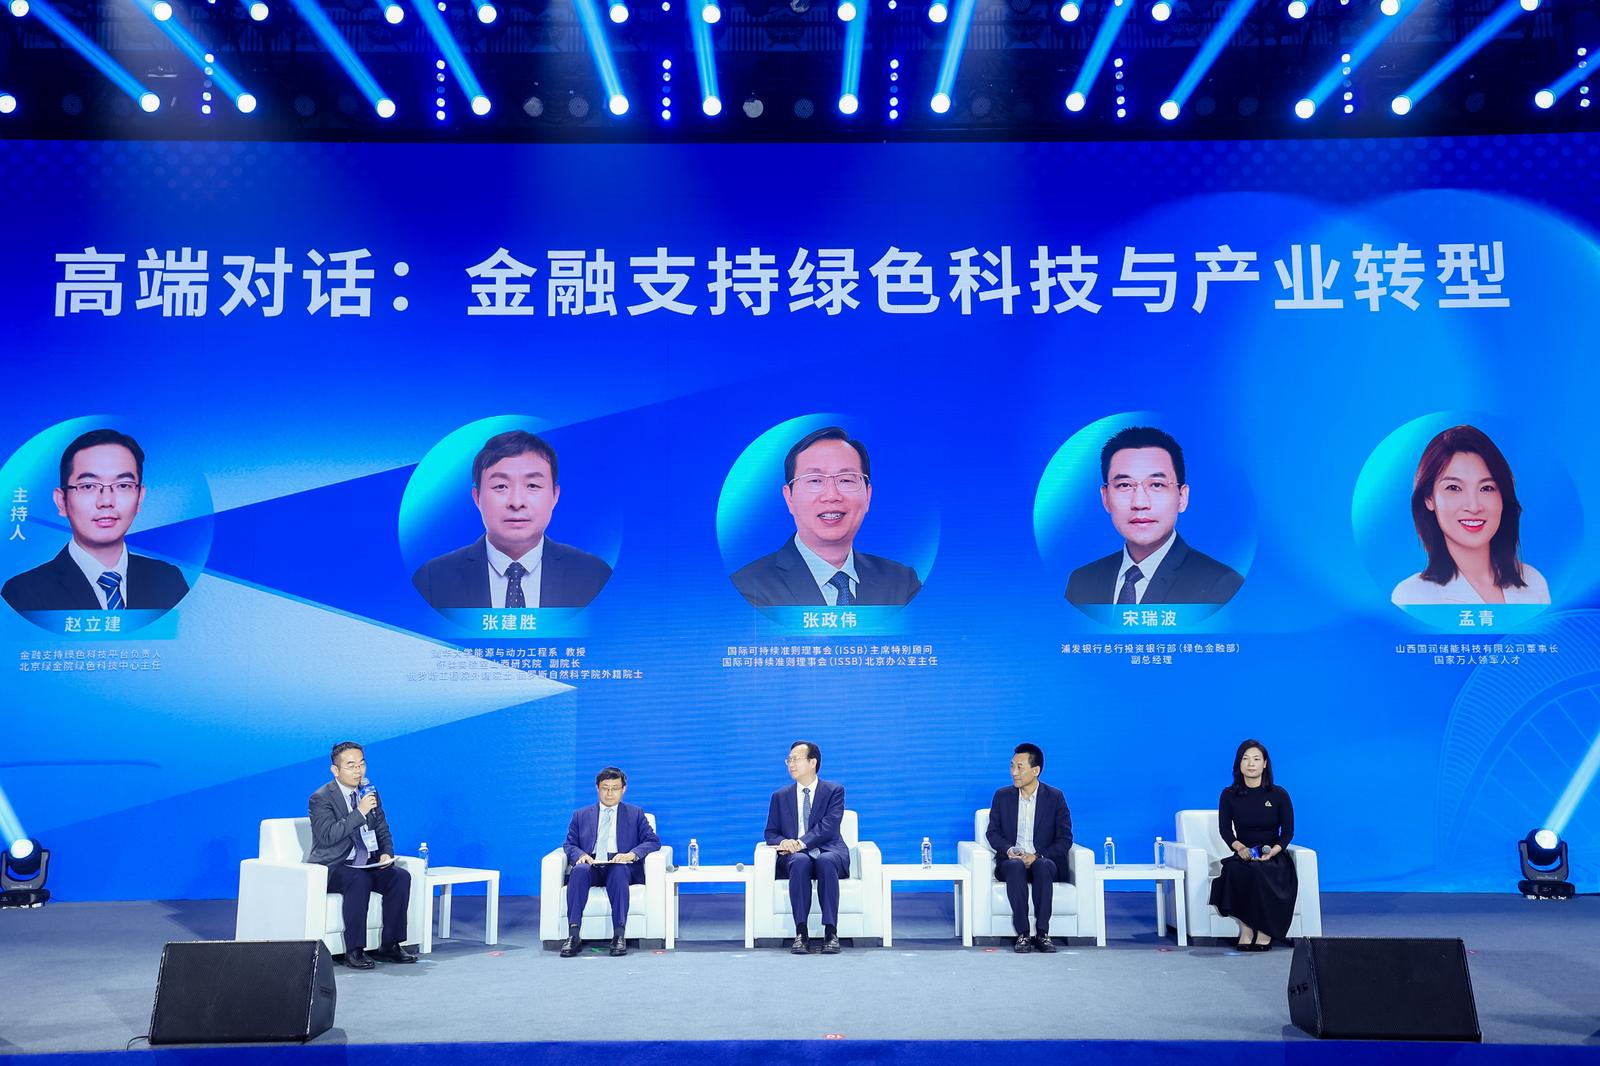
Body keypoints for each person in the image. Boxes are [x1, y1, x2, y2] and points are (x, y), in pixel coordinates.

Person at [411, 430, 612, 609]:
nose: (517, 502)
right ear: (477, 497)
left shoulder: (595, 576)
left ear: (555, 496)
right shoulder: (432, 580)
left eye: (532, 486)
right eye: (501, 486)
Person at [732, 427, 921, 607]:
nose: (832, 496)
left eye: (846, 480)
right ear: (789, 498)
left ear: (868, 496)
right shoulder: (748, 587)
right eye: (815, 480)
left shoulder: (902, 584)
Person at [3, 429, 189, 612]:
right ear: (62, 501)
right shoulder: (23, 594)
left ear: (139, 498)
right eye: (88, 486)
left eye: (123, 485)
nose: (106, 501)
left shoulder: (169, 581)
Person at [1065, 426, 1243, 606]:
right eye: (1125, 485)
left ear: (1182, 497)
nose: (1140, 503)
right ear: (1105, 498)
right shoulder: (1081, 583)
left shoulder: (1222, 586)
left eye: (1157, 485)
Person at [1391, 425, 1549, 606]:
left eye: (1486, 488)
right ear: (1429, 499)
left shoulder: (1534, 582)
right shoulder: (1412, 597)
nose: (1474, 507)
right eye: (1454, 488)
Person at [307, 742, 416, 969]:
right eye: (351, 766)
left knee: (400, 877)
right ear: (335, 770)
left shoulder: (369, 792)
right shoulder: (321, 798)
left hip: (366, 863)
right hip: (334, 866)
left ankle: (390, 945)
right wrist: (360, 812)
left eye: (361, 764)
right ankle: (354, 950)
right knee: (359, 879)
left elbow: (382, 829)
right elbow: (327, 836)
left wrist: (386, 853)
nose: (358, 771)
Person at [559, 766, 661, 959]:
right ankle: (573, 935)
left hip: (619, 863)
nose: (609, 793)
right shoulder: (581, 815)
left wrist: (631, 855)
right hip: (591, 862)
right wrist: (580, 854)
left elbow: (653, 841)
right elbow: (569, 844)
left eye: (615, 788)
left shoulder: (635, 813)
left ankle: (619, 936)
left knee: (619, 871)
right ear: (597, 788)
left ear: (624, 789)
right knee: (578, 871)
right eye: (605, 788)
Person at [984, 743, 1074, 953]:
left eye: (1020, 767)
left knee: (1042, 866)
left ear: (1036, 770)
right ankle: (1023, 934)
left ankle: (1042, 933)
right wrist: (1009, 850)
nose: (1014, 772)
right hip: (1011, 862)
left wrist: (1038, 856)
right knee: (1015, 866)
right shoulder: (1002, 796)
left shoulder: (1055, 797)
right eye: (1012, 766)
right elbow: (992, 833)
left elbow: (1065, 839)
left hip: (1044, 861)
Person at [1210, 739, 1297, 952]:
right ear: (1239, 764)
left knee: (1261, 872)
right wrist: (1239, 848)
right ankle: (1246, 929)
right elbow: (1225, 830)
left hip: (1272, 854)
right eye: (1246, 759)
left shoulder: (1279, 795)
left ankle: (1265, 932)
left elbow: (1287, 832)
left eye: (1256, 759)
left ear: (1265, 764)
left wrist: (1274, 851)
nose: (1251, 764)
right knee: (1233, 870)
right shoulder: (1229, 795)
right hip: (1244, 852)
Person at [764, 741, 849, 954]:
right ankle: (801, 933)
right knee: (800, 861)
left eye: (796, 759)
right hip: (795, 856)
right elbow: (770, 832)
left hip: (829, 849)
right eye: (789, 760)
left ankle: (831, 932)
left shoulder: (834, 791)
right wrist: (784, 842)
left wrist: (800, 843)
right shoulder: (780, 796)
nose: (791, 764)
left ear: (813, 762)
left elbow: (829, 827)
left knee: (825, 861)